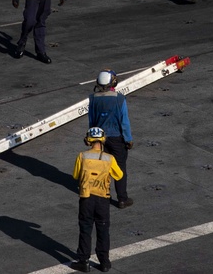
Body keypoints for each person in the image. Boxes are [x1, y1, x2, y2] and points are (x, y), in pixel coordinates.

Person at [72, 127, 124, 273]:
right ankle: (105, 262)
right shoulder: (109, 158)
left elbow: (75, 175)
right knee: (103, 230)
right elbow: (119, 175)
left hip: (86, 199)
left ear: (88, 140)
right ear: (103, 140)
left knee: (85, 228)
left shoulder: (82, 156)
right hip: (103, 200)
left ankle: (83, 261)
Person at [88, 69, 133, 209]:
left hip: (100, 139)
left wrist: (91, 138)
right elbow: (124, 121)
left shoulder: (93, 98)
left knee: (103, 168)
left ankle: (103, 196)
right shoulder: (119, 99)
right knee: (120, 169)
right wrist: (128, 139)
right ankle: (122, 199)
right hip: (117, 139)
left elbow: (92, 121)